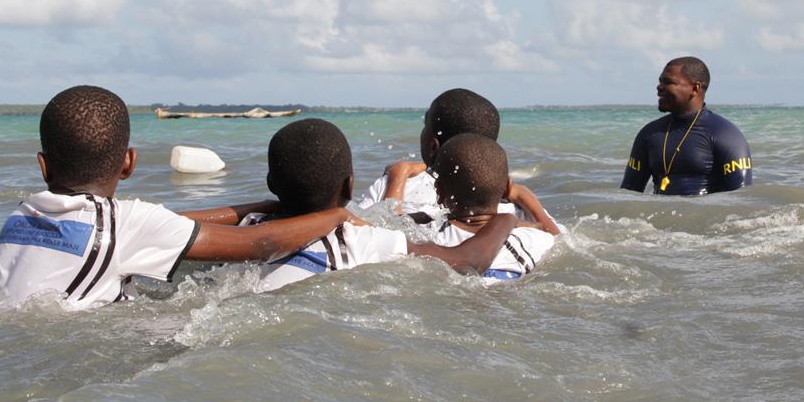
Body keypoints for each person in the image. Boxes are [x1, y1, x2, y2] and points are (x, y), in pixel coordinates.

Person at [0, 86, 360, 310]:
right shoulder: (124, 224)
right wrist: (338, 217)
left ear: (43, 166)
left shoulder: (23, 214)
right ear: (129, 163)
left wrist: (257, 207)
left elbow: (167, 222)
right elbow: (260, 244)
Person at [236, 118, 523, 292]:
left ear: (271, 184)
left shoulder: (247, 225)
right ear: (349, 186)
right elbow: (464, 262)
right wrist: (506, 219)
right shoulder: (358, 239)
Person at [359, 87, 561, 235]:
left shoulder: (398, 185)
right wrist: (525, 195)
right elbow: (556, 238)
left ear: (433, 146)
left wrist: (399, 174)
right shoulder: (514, 205)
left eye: (424, 125)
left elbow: (370, 236)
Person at [423, 133, 555, 282]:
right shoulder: (536, 239)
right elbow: (560, 239)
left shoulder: (427, 236)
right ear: (507, 189)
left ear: (439, 192)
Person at [621, 57, 752, 196]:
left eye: (667, 82)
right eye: (660, 81)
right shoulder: (649, 134)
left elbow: (741, 200)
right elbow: (628, 196)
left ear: (695, 88)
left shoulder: (726, 135)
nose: (659, 87)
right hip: (659, 216)